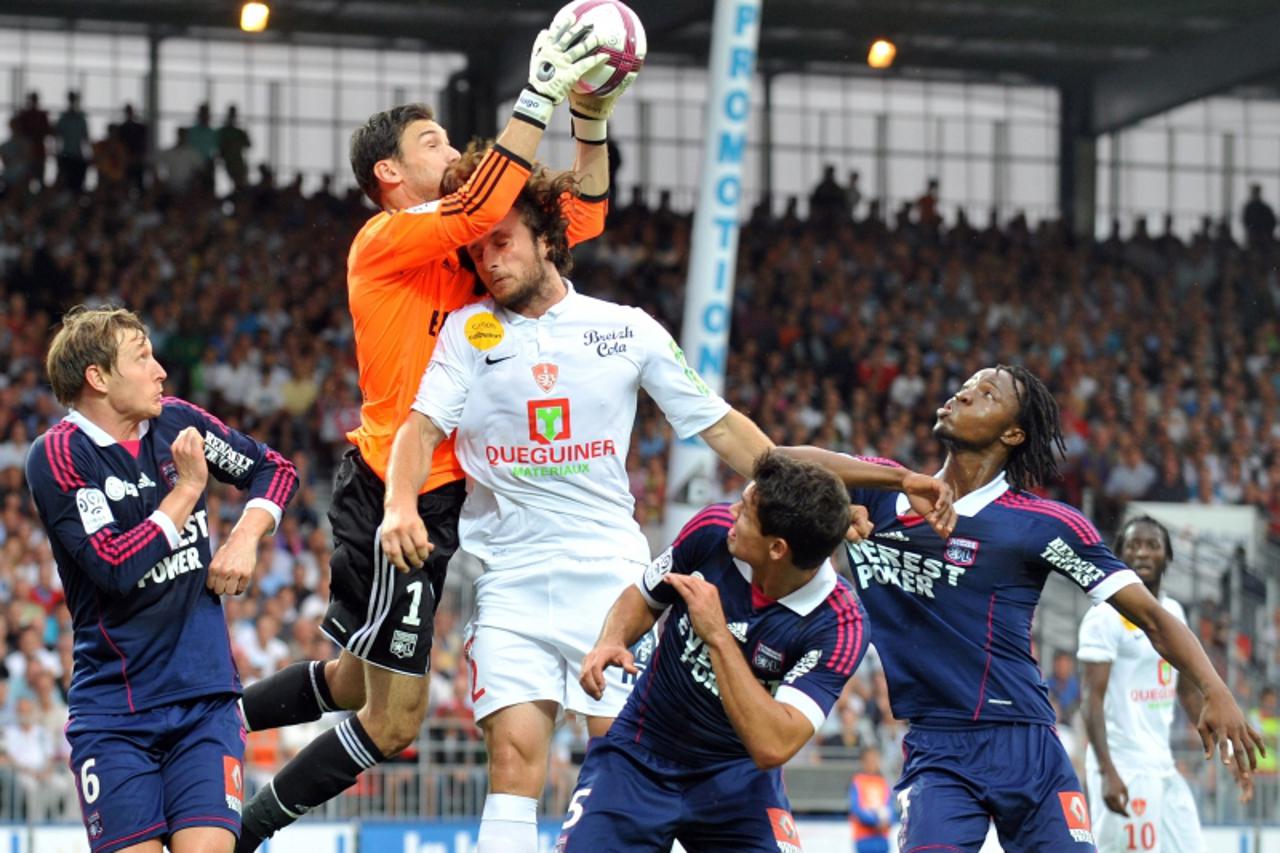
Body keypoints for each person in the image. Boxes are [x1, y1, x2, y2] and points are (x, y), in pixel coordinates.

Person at [232, 17, 616, 851]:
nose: (452, 151)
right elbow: (477, 200)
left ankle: (198, 718)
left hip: (433, 493)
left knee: (344, 679)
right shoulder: (385, 239)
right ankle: (242, 831)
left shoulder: (467, 246)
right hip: (394, 492)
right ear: (390, 172)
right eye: (433, 140)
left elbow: (580, 222)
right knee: (394, 717)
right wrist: (538, 92)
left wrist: (593, 120)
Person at [378, 165, 788, 851]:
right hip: (510, 576)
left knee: (626, 764)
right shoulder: (465, 331)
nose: (489, 259)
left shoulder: (625, 330)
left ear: (545, 237)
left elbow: (716, 424)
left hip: (614, 582)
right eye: (477, 249)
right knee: (510, 760)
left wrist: (803, 502)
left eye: (502, 242)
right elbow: (419, 430)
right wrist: (399, 505)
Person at [787, 365, 1264, 852]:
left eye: (986, 393)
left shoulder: (1042, 524)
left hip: (1028, 746)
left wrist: (1214, 688)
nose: (964, 394)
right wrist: (897, 478)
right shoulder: (878, 493)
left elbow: (1152, 616)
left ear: (1013, 433)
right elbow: (777, 464)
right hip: (938, 748)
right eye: (965, 386)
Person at [25, 305, 298, 853]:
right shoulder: (58, 455)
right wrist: (187, 492)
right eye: (142, 357)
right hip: (114, 713)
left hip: (205, 702)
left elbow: (275, 469)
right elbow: (115, 567)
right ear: (97, 378)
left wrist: (245, 536)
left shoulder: (177, 421)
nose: (161, 371)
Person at [555, 452, 866, 850]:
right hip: (639, 755)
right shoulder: (713, 530)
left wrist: (717, 635)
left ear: (777, 549)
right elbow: (646, 595)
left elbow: (774, 744)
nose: (731, 510)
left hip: (740, 781)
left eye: (746, 513)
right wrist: (612, 639)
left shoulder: (839, 625)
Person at [1078, 515, 1205, 853]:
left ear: (1168, 556)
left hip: (1162, 765)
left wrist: (1224, 748)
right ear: (1120, 555)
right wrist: (1107, 771)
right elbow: (1090, 699)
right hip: (1124, 767)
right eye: (1134, 545)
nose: (1143, 553)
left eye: (1153, 545)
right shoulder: (1104, 616)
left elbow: (1188, 689)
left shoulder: (1174, 613)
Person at [849, 744, 894, 853]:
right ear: (862, 762)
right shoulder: (857, 781)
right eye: (869, 760)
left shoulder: (883, 782)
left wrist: (888, 822)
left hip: (882, 837)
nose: (872, 763)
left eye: (875, 760)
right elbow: (856, 809)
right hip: (864, 837)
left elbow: (890, 807)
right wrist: (875, 822)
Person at [54, 90, 90, 192]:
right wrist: (57, 153)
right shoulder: (63, 118)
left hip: (78, 155)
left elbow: (85, 138)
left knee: (78, 185)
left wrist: (88, 155)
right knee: (64, 183)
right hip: (66, 155)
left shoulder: (81, 118)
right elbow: (57, 136)